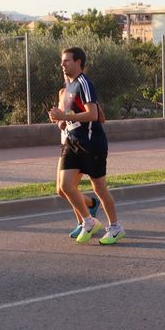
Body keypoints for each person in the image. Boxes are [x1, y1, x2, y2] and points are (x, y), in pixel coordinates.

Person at [48, 46, 125, 245]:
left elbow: (94, 115)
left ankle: (115, 227)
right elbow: (70, 116)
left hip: (91, 144)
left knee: (99, 187)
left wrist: (65, 116)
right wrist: (61, 119)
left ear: (78, 62)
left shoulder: (84, 83)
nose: (62, 64)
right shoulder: (69, 87)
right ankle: (88, 220)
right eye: (62, 61)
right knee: (65, 186)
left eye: (66, 60)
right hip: (72, 142)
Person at [55, 87, 101, 238]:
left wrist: (69, 117)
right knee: (61, 190)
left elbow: (99, 118)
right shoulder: (62, 93)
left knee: (70, 187)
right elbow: (62, 119)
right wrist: (60, 120)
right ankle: (91, 204)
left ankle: (83, 222)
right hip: (65, 144)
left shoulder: (83, 92)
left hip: (80, 145)